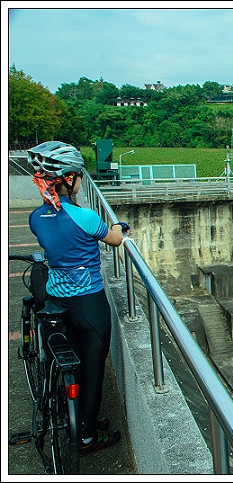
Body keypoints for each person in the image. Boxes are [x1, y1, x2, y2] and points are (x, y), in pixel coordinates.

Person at [27, 141, 128, 455]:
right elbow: (115, 239)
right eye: (79, 176)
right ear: (68, 179)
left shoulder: (34, 218)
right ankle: (85, 436)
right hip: (89, 306)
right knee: (91, 372)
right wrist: (117, 226)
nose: (82, 181)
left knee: (67, 361)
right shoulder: (85, 217)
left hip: (57, 302)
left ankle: (67, 414)